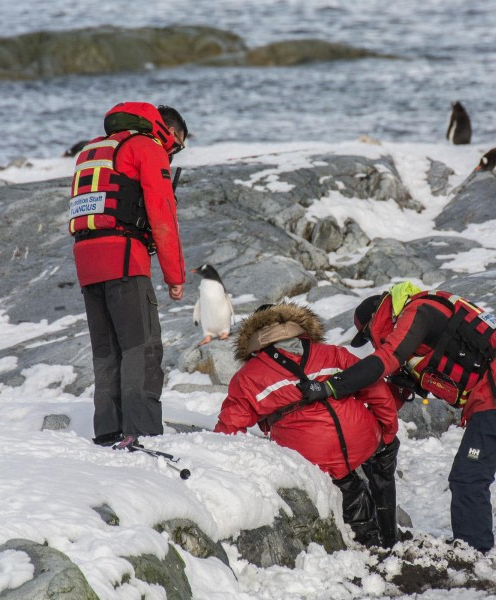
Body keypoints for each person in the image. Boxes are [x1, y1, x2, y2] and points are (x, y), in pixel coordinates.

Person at [300, 281, 496, 553]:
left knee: (468, 477)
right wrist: (365, 434)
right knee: (469, 476)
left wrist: (329, 387)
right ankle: (473, 548)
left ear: (377, 318)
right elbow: (389, 397)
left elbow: (385, 360)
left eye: (369, 335)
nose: (372, 343)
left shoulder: (421, 311)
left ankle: (475, 554)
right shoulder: (415, 338)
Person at [214, 302, 401, 548]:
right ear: (295, 325)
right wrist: (388, 430)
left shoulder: (249, 377)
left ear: (253, 336)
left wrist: (216, 465)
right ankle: (389, 533)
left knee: (346, 485)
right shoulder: (331, 353)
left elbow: (228, 430)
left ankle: (366, 541)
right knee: (379, 467)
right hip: (362, 435)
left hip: (314, 451)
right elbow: (375, 388)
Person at [68, 101, 188, 450]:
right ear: (169, 132)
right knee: (142, 347)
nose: (173, 155)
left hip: (86, 259)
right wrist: (174, 275)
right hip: (123, 259)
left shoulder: (92, 150)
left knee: (107, 350)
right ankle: (142, 431)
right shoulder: (146, 147)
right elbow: (162, 213)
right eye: (177, 147)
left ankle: (108, 429)